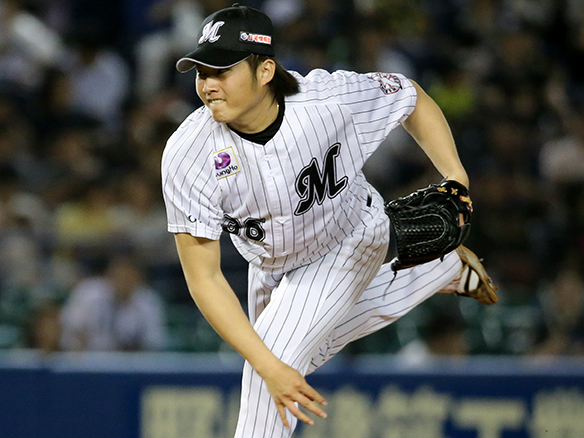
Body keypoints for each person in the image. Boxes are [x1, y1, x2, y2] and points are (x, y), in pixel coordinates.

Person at [161, 5, 498, 437]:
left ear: (265, 71)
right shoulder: (188, 153)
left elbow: (409, 96)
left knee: (269, 374)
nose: (207, 84)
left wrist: (456, 178)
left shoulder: (327, 101)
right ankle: (438, 270)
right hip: (270, 263)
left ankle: (435, 271)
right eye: (201, 71)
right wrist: (271, 365)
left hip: (348, 236)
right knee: (283, 362)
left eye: (221, 71)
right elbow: (204, 278)